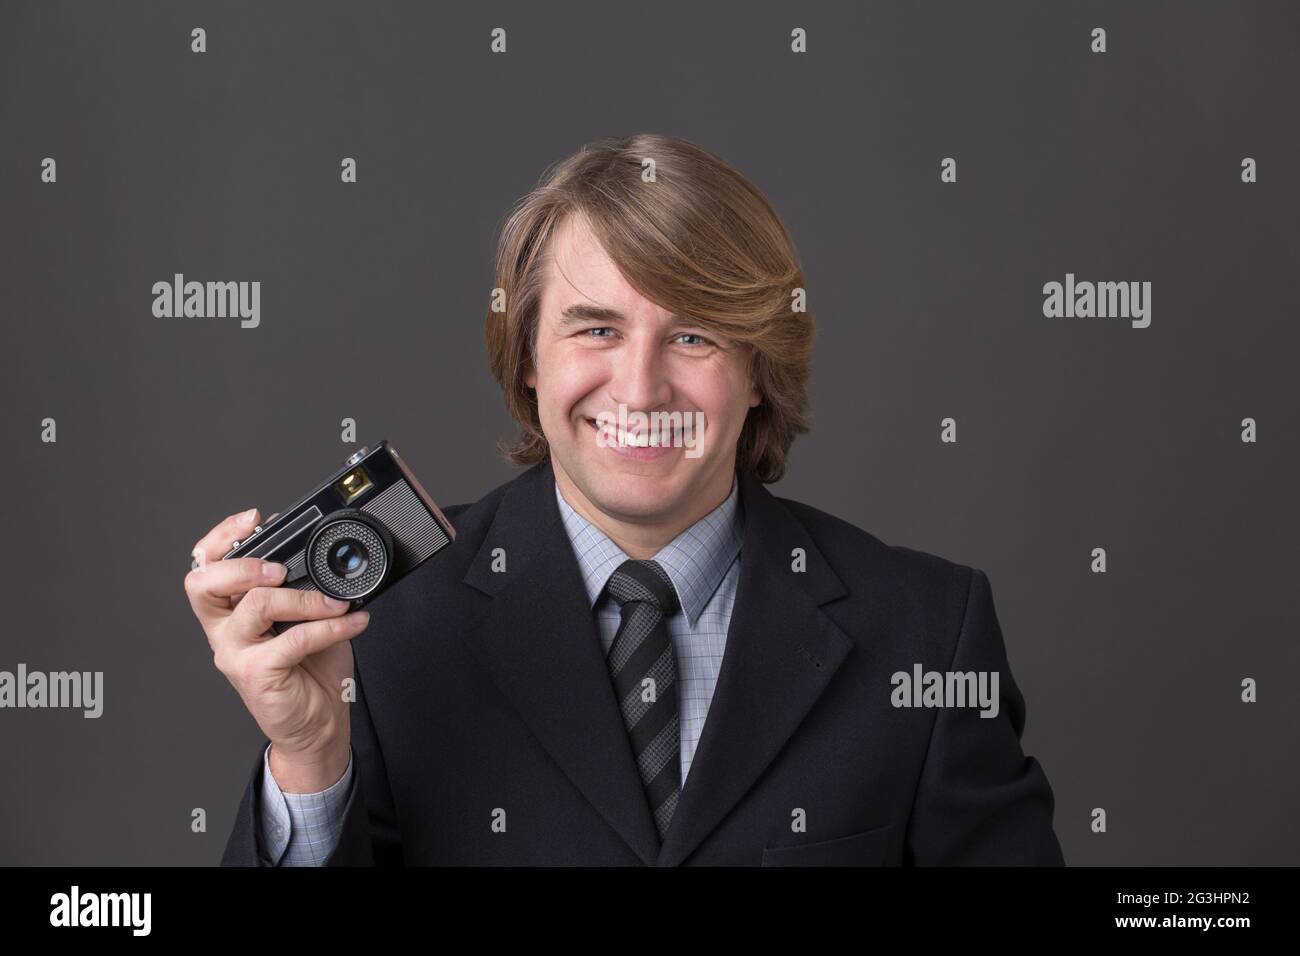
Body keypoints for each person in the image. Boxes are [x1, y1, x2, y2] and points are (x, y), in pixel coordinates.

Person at [186, 133, 1065, 866]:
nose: (640, 390)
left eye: (694, 336)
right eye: (597, 329)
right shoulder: (377, 626)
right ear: (528, 359)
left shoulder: (926, 631)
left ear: (759, 372)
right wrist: (310, 761)